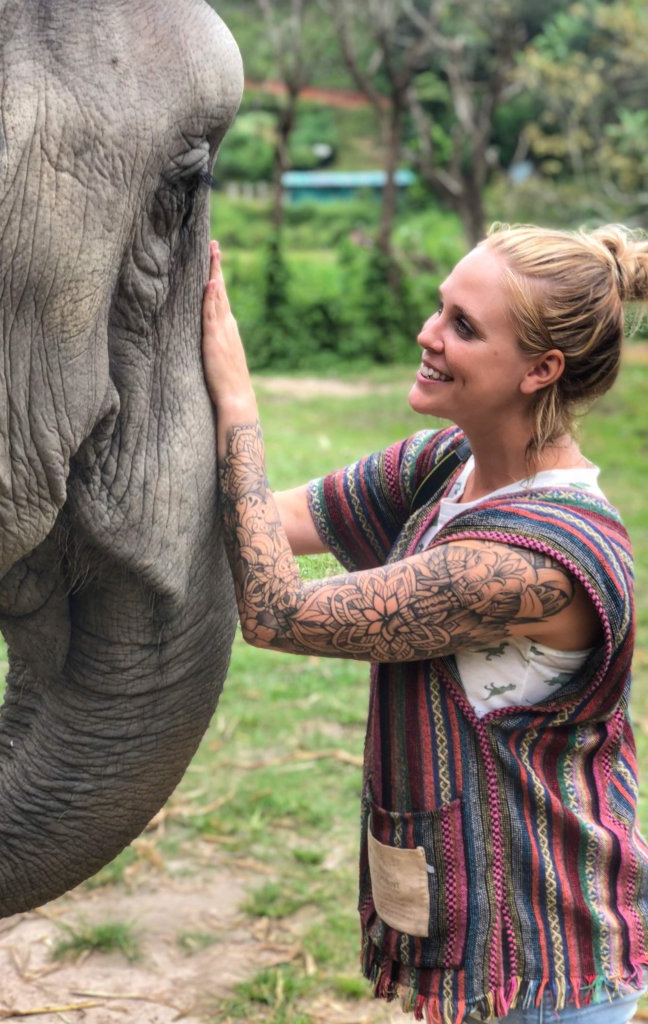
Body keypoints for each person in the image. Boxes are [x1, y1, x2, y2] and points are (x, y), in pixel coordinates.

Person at [201, 225, 648, 1024]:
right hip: (473, 943)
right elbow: (262, 523)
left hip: (545, 970)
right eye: (442, 307)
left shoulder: (537, 563)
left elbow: (275, 610)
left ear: (541, 370)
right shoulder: (446, 464)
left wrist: (236, 397)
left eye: (464, 327)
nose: (427, 334)